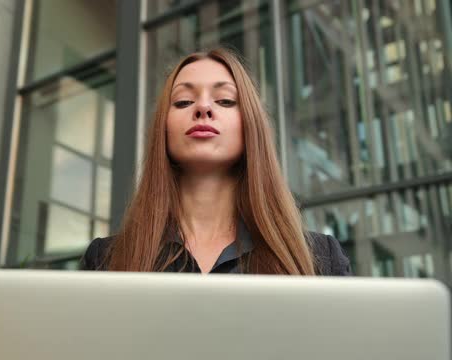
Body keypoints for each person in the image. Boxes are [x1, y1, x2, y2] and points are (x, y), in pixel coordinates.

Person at [80, 47, 351, 275]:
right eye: (184, 102)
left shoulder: (320, 259)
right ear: (163, 128)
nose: (203, 107)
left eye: (224, 100)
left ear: (251, 126)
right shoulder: (106, 260)